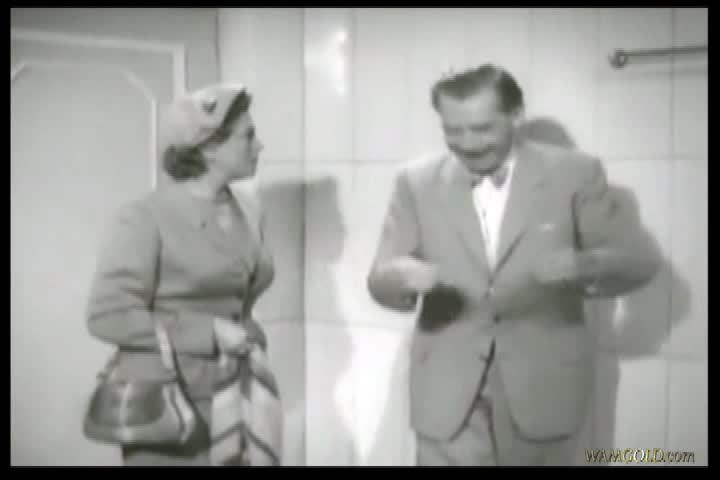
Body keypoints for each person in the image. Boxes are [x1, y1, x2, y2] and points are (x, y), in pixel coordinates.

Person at [366, 64, 661, 466]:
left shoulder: (576, 173)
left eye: (482, 129)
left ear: (516, 115)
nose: (468, 144)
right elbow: (379, 278)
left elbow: (638, 262)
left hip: (544, 386)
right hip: (445, 391)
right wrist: (399, 276)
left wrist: (585, 264)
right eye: (453, 131)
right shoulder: (415, 181)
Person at [86, 83, 282, 466]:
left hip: (237, 398)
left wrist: (249, 336)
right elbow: (107, 314)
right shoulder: (145, 217)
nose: (260, 146)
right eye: (248, 136)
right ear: (209, 147)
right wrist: (209, 331)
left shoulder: (251, 213)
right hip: (166, 404)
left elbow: (241, 297)